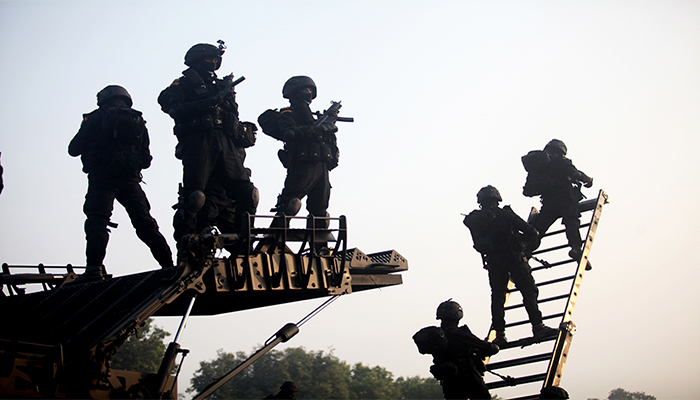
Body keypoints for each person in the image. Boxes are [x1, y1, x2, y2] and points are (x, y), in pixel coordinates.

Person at [68, 85, 173, 283]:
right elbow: (147, 159)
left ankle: (93, 270)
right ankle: (168, 265)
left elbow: (73, 149)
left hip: (102, 178)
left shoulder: (95, 118)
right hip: (130, 180)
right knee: (145, 224)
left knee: (97, 222)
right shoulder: (138, 120)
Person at [158, 41, 258, 246]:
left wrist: (224, 96)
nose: (213, 62)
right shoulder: (182, 84)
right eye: (208, 58)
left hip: (226, 142)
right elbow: (174, 109)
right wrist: (211, 101)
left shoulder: (220, 86)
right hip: (199, 140)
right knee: (195, 197)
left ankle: (243, 237)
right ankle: (187, 241)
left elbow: (233, 115)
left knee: (248, 193)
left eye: (215, 59)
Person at [463, 186, 558, 347]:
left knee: (498, 297)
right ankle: (538, 326)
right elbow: (531, 232)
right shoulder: (505, 214)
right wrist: (520, 241)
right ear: (497, 199)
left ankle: (499, 334)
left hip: (493, 262)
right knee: (529, 291)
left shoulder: (476, 220)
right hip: (515, 259)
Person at [268, 76, 339, 242]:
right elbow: (289, 133)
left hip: (322, 166)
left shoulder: (317, 119)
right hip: (302, 164)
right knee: (291, 203)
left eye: (310, 90)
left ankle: (319, 245)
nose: (308, 93)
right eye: (305, 90)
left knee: (320, 209)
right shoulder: (288, 114)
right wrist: (317, 130)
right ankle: (273, 236)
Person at [526, 139, 593, 261]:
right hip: (565, 198)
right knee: (571, 221)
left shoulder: (539, 165)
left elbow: (527, 190)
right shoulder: (561, 161)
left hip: (548, 202)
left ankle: (525, 250)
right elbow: (575, 174)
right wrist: (588, 180)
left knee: (539, 228)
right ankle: (576, 248)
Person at [432, 300, 499, 400]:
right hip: (469, 378)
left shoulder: (437, 337)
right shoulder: (459, 334)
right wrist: (493, 346)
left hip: (449, 382)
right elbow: (489, 349)